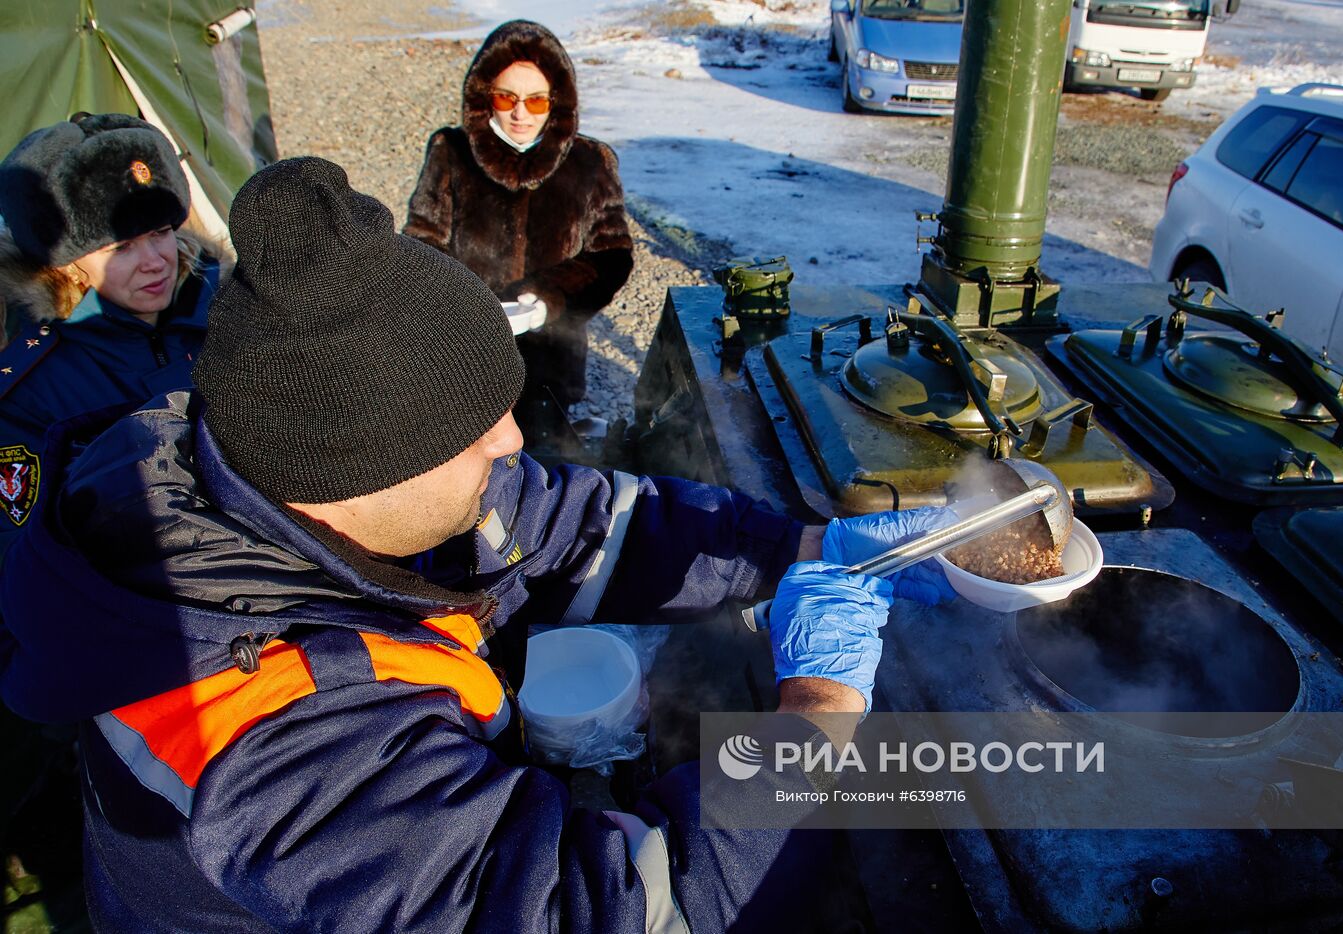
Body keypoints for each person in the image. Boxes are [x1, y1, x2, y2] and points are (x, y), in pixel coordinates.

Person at [0, 157, 953, 932]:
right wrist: (816, 719)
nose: (510, 442)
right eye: (474, 428)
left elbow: (575, 527)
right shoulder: (268, 754)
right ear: (357, 466)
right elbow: (603, 914)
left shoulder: (286, 487)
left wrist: (809, 549)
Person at [0, 113, 223, 557]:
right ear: (64, 262)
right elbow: (22, 559)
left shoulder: (228, 310)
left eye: (161, 233)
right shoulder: (32, 390)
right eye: (122, 247)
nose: (156, 260)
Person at [404, 19, 633, 442]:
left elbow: (611, 255)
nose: (520, 113)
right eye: (506, 97)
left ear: (557, 101)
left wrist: (552, 298)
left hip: (551, 361)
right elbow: (420, 245)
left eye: (537, 101)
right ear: (484, 96)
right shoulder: (451, 154)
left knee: (544, 474)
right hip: (464, 358)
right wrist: (459, 311)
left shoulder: (590, 162)